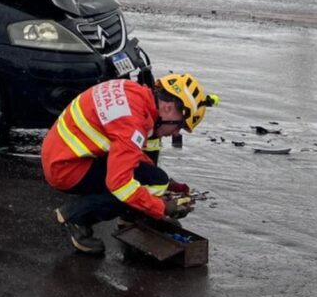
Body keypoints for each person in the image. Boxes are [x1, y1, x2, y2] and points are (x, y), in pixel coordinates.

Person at [40, 73, 218, 254]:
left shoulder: (134, 93)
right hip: (66, 170)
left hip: (66, 153)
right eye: (179, 126)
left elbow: (129, 153)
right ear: (169, 108)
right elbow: (120, 183)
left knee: (156, 179)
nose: (175, 133)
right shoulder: (133, 123)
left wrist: (166, 185)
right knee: (135, 187)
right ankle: (77, 217)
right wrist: (161, 207)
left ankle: (130, 214)